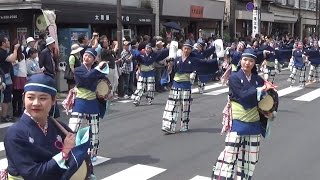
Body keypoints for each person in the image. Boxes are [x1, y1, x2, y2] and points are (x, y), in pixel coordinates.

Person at [4, 73, 94, 179]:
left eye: (42, 98)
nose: (36, 103)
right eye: (30, 97)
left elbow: (82, 160)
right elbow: (33, 174)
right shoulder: (15, 133)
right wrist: (64, 152)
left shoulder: (61, 128)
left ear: (53, 100)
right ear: (24, 98)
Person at [211, 49, 276, 180]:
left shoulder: (258, 79)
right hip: (238, 123)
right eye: (245, 60)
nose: (247, 63)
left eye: (251, 60)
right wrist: (260, 90)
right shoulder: (234, 77)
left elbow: (270, 96)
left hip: (254, 124)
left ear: (254, 63)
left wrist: (270, 110)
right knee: (230, 156)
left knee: (249, 160)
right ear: (241, 61)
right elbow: (243, 96)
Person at [161, 41, 219, 134]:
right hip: (176, 84)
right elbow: (170, 70)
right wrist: (170, 64)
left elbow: (204, 63)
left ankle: (184, 125)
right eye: (185, 48)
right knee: (172, 105)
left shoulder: (193, 60)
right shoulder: (177, 59)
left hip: (186, 85)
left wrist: (217, 61)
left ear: (191, 50)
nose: (186, 50)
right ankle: (169, 126)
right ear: (182, 49)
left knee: (185, 106)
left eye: (188, 48)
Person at [68, 48, 108, 162]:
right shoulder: (78, 70)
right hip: (80, 102)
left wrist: (107, 93)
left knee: (94, 131)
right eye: (85, 55)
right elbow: (86, 78)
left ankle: (93, 153)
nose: (86, 58)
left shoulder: (98, 72)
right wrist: (97, 69)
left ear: (94, 59)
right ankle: (67, 151)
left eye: (89, 56)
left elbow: (103, 84)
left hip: (93, 103)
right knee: (72, 128)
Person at [0, 35, 19, 122]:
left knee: (7, 97)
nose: (8, 42)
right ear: (3, 43)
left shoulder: (4, 51)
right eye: (7, 41)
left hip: (6, 76)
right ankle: (4, 116)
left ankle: (6, 115)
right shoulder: (1, 52)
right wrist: (15, 49)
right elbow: (12, 58)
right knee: (5, 97)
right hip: (4, 77)